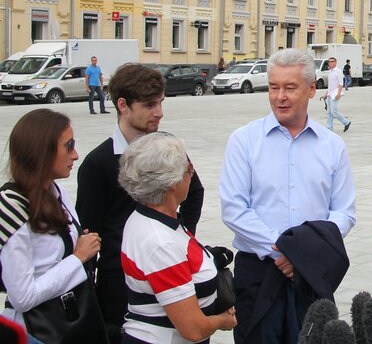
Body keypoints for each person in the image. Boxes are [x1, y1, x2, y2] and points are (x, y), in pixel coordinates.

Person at [220, 49, 356, 344]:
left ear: (310, 89)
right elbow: (233, 209)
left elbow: (344, 212)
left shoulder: (332, 146)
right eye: (273, 87)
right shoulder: (244, 141)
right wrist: (282, 251)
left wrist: (303, 254)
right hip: (257, 273)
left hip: (311, 274)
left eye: (289, 88)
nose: (280, 96)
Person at [76, 63, 205, 344]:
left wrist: (182, 233)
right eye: (149, 105)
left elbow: (195, 191)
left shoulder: (168, 147)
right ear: (123, 105)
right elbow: (89, 233)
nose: (159, 112)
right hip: (119, 283)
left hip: (169, 272)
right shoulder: (97, 164)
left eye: (161, 103)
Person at [118, 132, 237, 343]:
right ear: (172, 182)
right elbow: (193, 329)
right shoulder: (160, 242)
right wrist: (222, 321)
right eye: (188, 169)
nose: (191, 174)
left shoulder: (153, 218)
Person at [0, 109, 102, 335]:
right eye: (69, 145)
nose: (75, 155)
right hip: (38, 330)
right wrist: (78, 258)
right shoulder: (12, 205)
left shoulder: (57, 191)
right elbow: (22, 298)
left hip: (72, 320)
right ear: (41, 151)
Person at [325, 57, 351, 132]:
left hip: (336, 93)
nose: (330, 63)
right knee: (329, 112)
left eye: (332, 61)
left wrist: (339, 93)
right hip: (330, 93)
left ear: (335, 62)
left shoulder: (338, 71)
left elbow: (341, 83)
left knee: (334, 111)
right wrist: (326, 93)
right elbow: (330, 85)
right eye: (329, 62)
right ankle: (329, 128)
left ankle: (346, 122)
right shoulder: (330, 71)